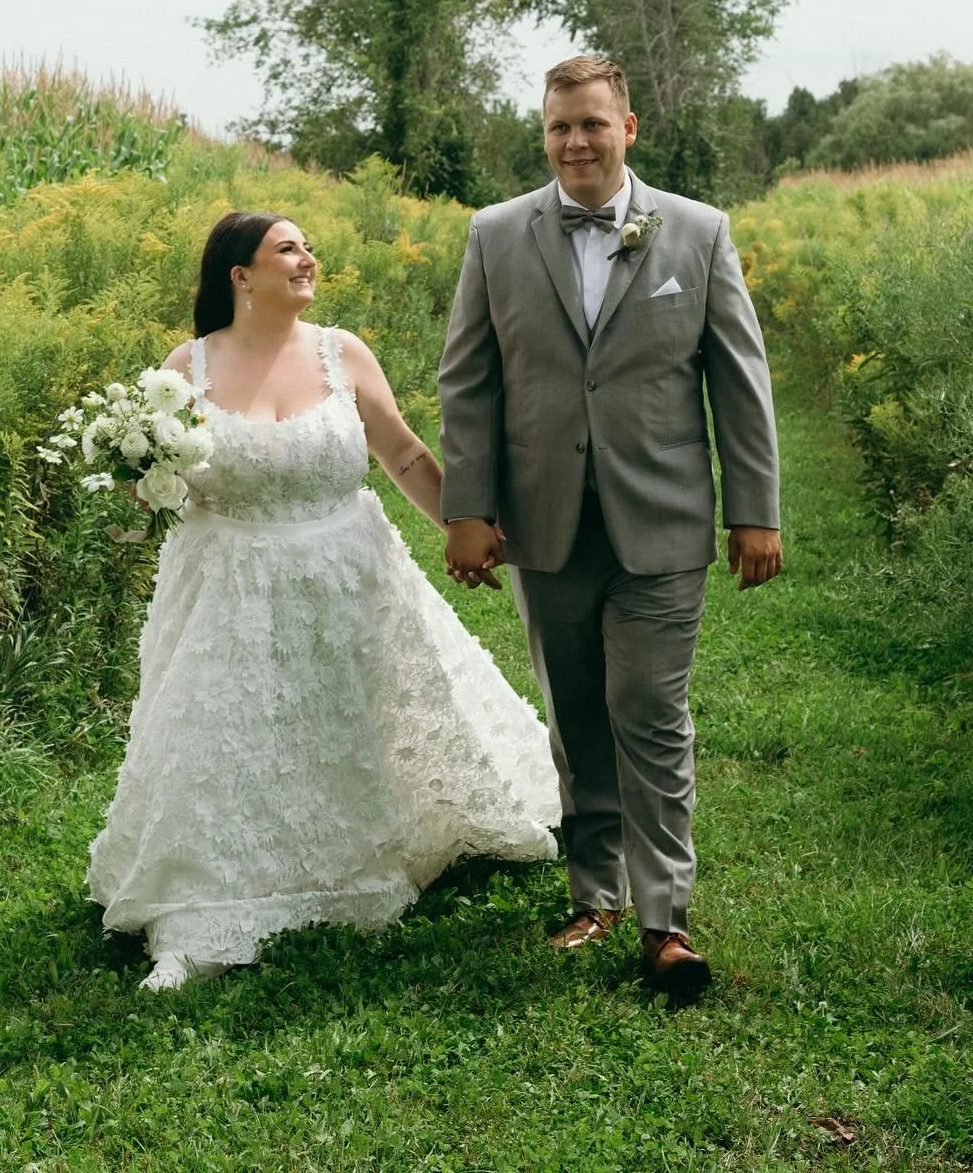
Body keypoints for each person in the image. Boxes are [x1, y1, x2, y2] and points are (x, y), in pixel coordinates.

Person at [86, 211, 559, 990]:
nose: (308, 258)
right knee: (220, 743)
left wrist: (467, 529)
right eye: (288, 248)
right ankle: (199, 920)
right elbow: (151, 483)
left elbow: (402, 452)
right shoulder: (188, 368)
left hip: (347, 575)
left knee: (355, 726)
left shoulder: (344, 354)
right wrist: (136, 472)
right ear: (241, 275)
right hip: (229, 590)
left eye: (308, 247)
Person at [437, 55, 784, 1004]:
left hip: (663, 518)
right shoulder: (497, 235)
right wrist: (466, 509)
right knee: (577, 715)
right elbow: (468, 383)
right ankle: (595, 892)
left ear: (629, 127)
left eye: (593, 124)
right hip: (543, 523)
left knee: (651, 711)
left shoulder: (699, 233)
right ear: (543, 134)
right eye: (559, 127)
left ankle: (665, 921)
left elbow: (737, 384)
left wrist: (755, 508)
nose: (575, 142)